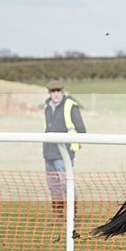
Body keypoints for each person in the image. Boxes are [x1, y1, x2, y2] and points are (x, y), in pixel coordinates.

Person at [43, 79, 86, 219]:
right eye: (53, 91)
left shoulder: (70, 105)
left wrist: (73, 144)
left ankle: (71, 216)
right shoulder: (47, 106)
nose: (55, 94)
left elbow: (81, 129)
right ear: (49, 93)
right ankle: (58, 216)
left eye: (58, 91)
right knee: (53, 185)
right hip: (49, 152)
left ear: (62, 91)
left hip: (65, 153)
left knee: (66, 184)